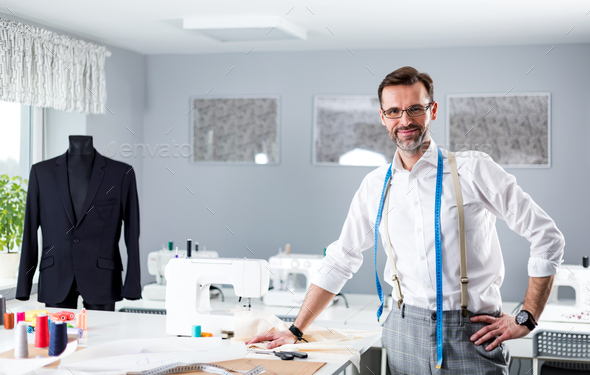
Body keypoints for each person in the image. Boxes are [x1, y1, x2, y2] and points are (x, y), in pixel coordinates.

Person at [246, 66, 565, 374]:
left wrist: (527, 316)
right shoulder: (375, 185)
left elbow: (547, 236)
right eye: (394, 111)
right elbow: (342, 259)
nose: (405, 120)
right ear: (382, 118)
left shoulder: (473, 171)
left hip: (472, 334)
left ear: (433, 110)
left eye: (415, 109)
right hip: (401, 333)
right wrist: (295, 330)